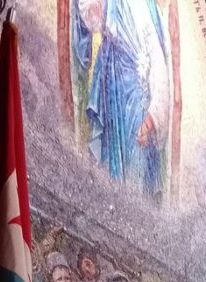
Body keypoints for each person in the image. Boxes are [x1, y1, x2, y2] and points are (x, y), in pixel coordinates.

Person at [85, 0, 171, 200]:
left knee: (135, 178)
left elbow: (158, 67)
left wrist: (151, 120)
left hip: (135, 109)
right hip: (111, 101)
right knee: (108, 181)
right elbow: (93, 17)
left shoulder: (147, 10)